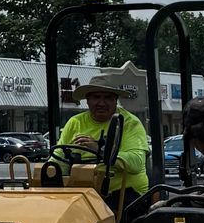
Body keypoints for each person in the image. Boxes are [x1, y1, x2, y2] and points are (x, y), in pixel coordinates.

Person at [56, 71, 153, 209]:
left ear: (115, 101)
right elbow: (59, 159)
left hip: (125, 195)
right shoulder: (75, 123)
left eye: (107, 98)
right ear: (87, 100)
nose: (101, 103)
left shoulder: (130, 123)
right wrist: (48, 172)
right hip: (83, 194)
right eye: (96, 97)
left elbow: (135, 163)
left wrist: (100, 150)